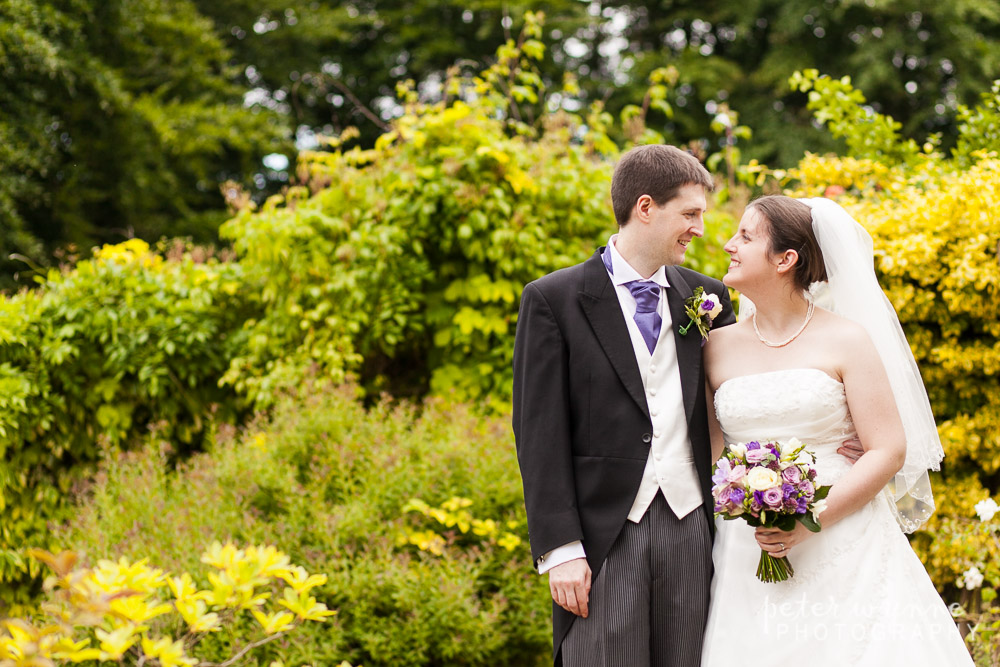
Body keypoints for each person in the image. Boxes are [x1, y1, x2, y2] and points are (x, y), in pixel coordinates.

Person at [701, 195, 973, 665]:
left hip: (842, 536)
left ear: (786, 259)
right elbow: (712, 448)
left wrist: (810, 522)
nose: (729, 245)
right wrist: (739, 498)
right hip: (746, 544)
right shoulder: (715, 346)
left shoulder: (847, 338)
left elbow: (887, 449)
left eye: (746, 237)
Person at [512, 144, 736, 666]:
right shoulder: (553, 299)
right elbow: (538, 432)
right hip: (601, 536)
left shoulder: (707, 299)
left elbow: (742, 394)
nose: (700, 229)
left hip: (692, 525)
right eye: (690, 213)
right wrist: (561, 549)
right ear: (645, 207)